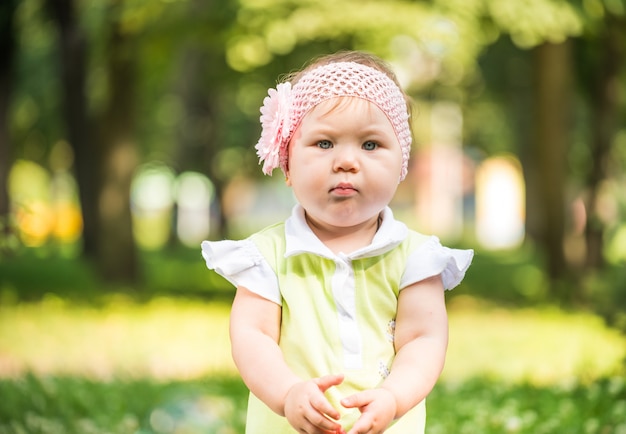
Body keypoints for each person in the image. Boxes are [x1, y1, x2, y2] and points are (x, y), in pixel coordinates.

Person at [202, 50, 473, 434]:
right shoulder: (267, 256)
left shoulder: (416, 257)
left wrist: (394, 396)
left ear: (401, 165)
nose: (346, 162)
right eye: (325, 144)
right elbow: (252, 336)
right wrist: (287, 393)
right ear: (287, 163)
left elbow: (423, 339)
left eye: (370, 145)